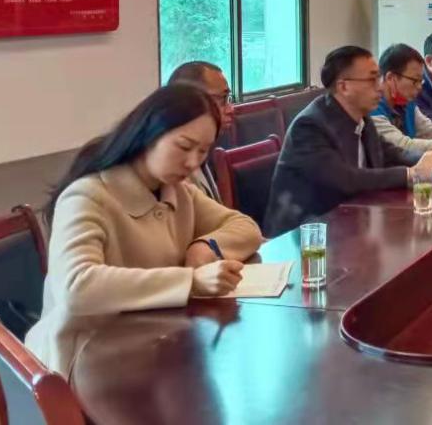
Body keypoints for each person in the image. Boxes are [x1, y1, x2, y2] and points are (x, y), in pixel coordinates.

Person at [26, 84, 264, 375]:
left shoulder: (177, 191)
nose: (193, 163)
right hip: (83, 358)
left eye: (203, 151)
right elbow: (76, 286)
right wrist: (191, 282)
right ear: (148, 135)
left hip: (152, 342)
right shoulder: (87, 196)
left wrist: (204, 247)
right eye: (184, 146)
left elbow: (245, 228)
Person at [264, 46, 432, 237]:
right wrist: (411, 174)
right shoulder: (310, 126)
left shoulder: (362, 118)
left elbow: (391, 153)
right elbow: (346, 179)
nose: (380, 86)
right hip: (304, 236)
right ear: (344, 86)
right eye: (372, 79)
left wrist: (430, 158)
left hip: (350, 223)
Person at [167, 60, 233, 202]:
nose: (231, 109)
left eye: (228, 98)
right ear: (190, 102)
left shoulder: (200, 147)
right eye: (222, 99)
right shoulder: (174, 168)